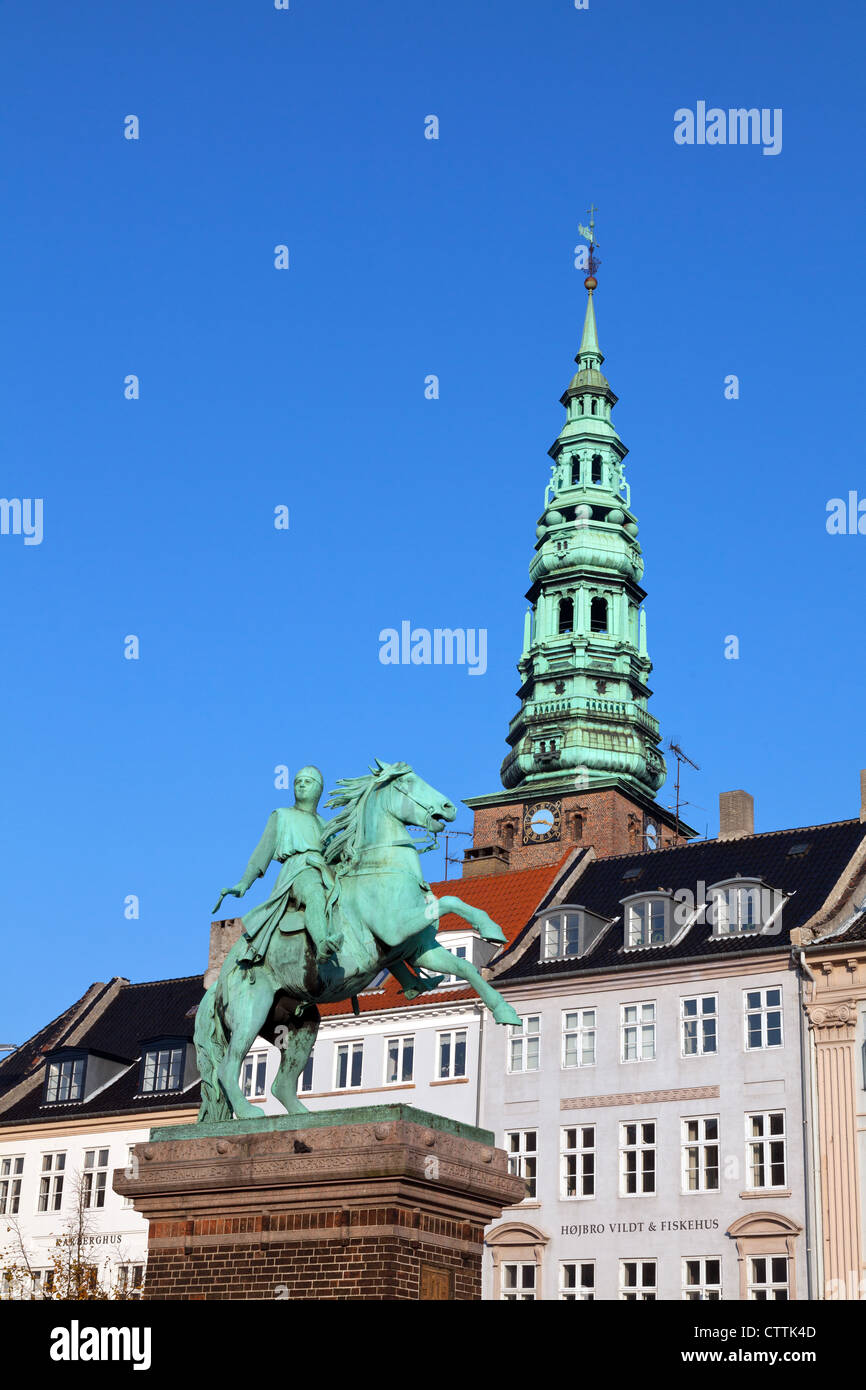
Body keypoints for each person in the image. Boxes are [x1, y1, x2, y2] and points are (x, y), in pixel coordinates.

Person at [213, 766, 343, 966]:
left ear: (318, 789)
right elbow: (262, 852)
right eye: (297, 781)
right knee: (314, 893)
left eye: (307, 781)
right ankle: (322, 944)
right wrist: (244, 883)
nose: (300, 785)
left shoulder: (325, 824)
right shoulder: (282, 815)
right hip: (298, 870)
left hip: (325, 871)